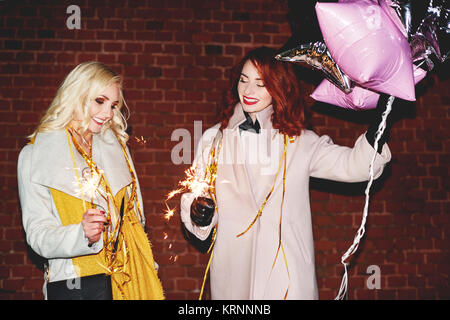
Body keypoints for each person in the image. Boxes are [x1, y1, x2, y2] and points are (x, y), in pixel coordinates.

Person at [180, 47, 392, 300]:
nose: (248, 91)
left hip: (287, 276)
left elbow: (353, 166)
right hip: (234, 273)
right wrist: (199, 215)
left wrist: (379, 128)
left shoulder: (299, 142)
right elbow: (197, 193)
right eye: (243, 80)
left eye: (260, 84)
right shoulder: (214, 140)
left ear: (278, 87)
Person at [17, 62, 164, 300]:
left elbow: (138, 220)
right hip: (78, 286)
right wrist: (81, 234)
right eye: (99, 101)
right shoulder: (34, 156)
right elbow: (37, 234)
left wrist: (148, 269)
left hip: (131, 281)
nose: (107, 114)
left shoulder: (118, 149)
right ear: (77, 94)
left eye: (113, 105)